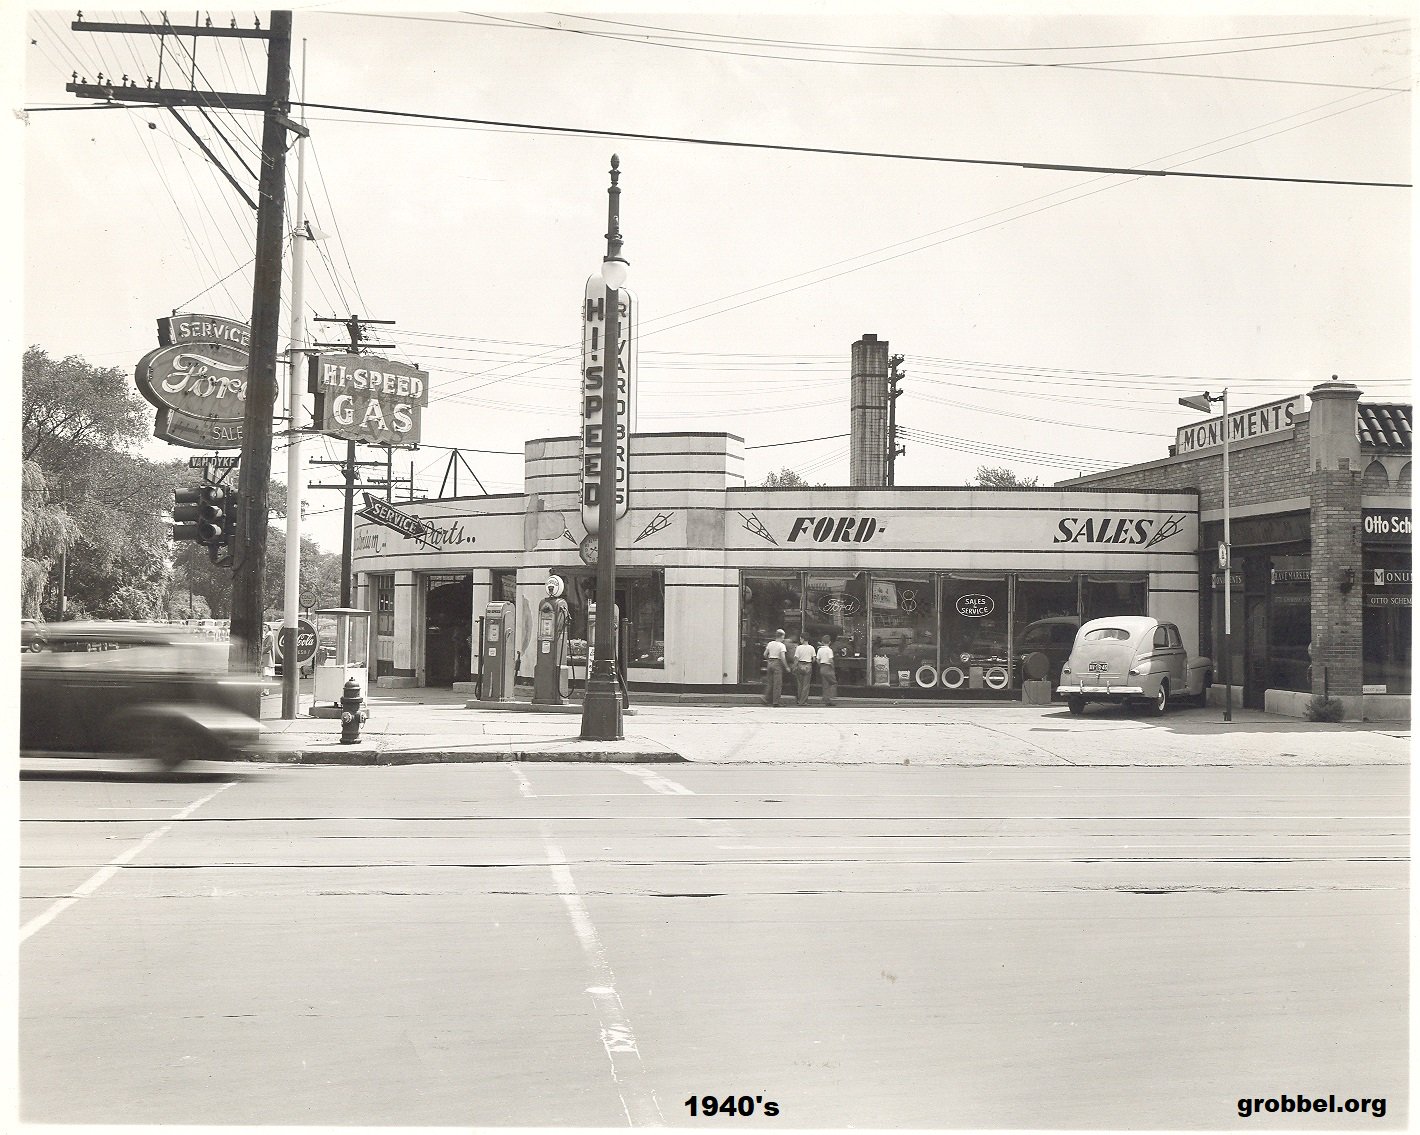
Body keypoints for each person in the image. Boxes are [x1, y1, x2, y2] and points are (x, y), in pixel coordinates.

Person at [762, 628, 788, 706]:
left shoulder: (770, 643)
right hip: (777, 663)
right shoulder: (782, 645)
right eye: (783, 636)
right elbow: (783, 657)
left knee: (770, 682)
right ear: (782, 636)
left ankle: (766, 698)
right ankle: (776, 702)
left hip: (770, 662)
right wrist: (786, 666)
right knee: (777, 684)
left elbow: (765, 654)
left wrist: (769, 659)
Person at [791, 634, 815, 705]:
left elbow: (796, 658)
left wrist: (794, 667)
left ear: (803, 639)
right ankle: (803, 701)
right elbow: (814, 659)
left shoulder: (799, 648)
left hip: (800, 665)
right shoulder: (811, 648)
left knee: (800, 684)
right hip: (808, 665)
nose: (800, 640)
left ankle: (799, 700)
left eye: (800, 638)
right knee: (806, 685)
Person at [816, 634, 838, 706]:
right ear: (829, 642)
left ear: (822, 642)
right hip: (828, 667)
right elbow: (830, 660)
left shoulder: (820, 649)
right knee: (833, 683)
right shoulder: (829, 650)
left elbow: (817, 660)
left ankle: (825, 698)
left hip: (822, 667)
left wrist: (820, 665)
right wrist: (833, 667)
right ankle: (831, 698)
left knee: (825, 683)